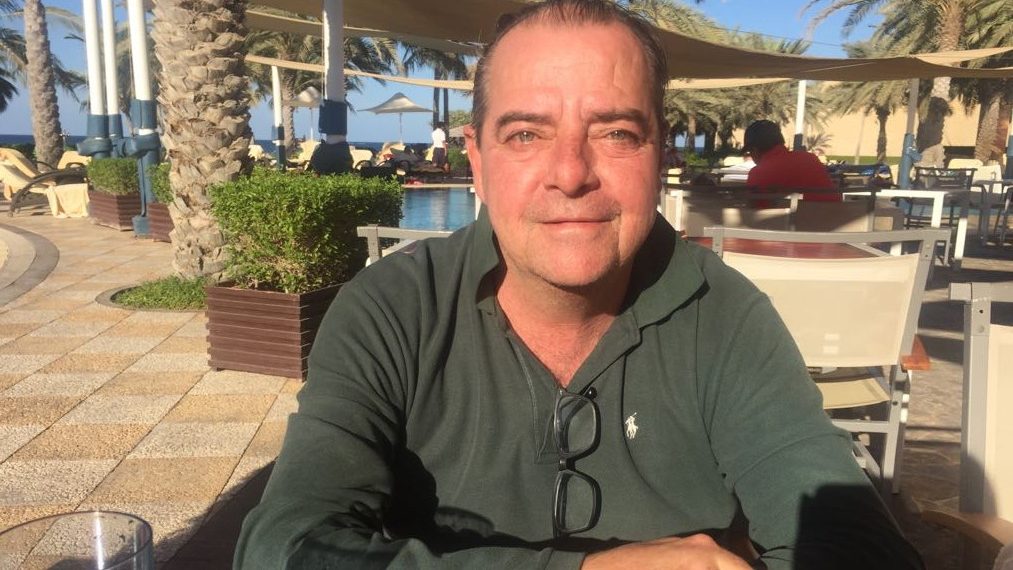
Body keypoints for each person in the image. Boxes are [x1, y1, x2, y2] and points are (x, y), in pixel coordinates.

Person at [235, 2, 923, 569]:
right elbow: (282, 547)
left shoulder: (725, 316)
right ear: (477, 161)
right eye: (526, 134)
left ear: (658, 155)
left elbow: (854, 540)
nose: (570, 174)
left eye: (616, 132)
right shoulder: (391, 310)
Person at [743, 119, 839, 201]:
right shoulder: (810, 159)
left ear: (754, 150)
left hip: (791, 217)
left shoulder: (758, 173)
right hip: (832, 216)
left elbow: (754, 211)